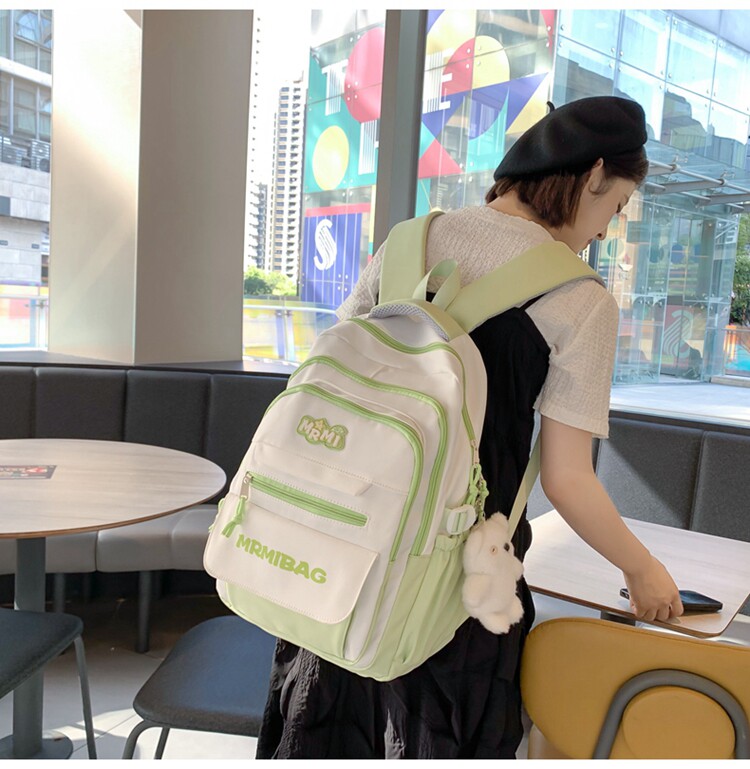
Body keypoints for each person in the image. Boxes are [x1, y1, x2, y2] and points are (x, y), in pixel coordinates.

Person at [255, 96, 684, 760]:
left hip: (343, 551)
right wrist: (643, 568)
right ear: (595, 173)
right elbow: (568, 479)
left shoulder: (408, 241)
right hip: (457, 586)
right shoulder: (579, 299)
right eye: (618, 205)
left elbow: (330, 376)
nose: (606, 230)